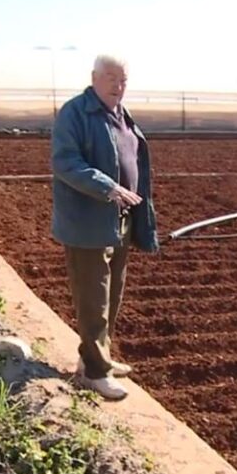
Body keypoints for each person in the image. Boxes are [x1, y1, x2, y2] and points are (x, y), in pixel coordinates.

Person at [50, 54, 159, 400]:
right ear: (94, 77)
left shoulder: (121, 116)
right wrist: (107, 187)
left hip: (120, 221)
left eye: (124, 79)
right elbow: (65, 161)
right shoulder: (76, 113)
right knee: (93, 297)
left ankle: (97, 358)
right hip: (87, 223)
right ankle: (95, 374)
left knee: (112, 296)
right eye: (111, 78)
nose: (118, 85)